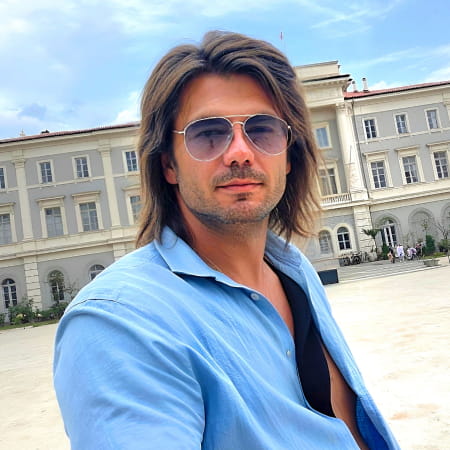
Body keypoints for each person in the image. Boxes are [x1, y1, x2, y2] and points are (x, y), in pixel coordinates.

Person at [53, 31, 399, 449]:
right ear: (168, 165)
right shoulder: (120, 324)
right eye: (208, 133)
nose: (240, 152)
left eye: (262, 130)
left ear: (289, 156)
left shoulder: (294, 268)